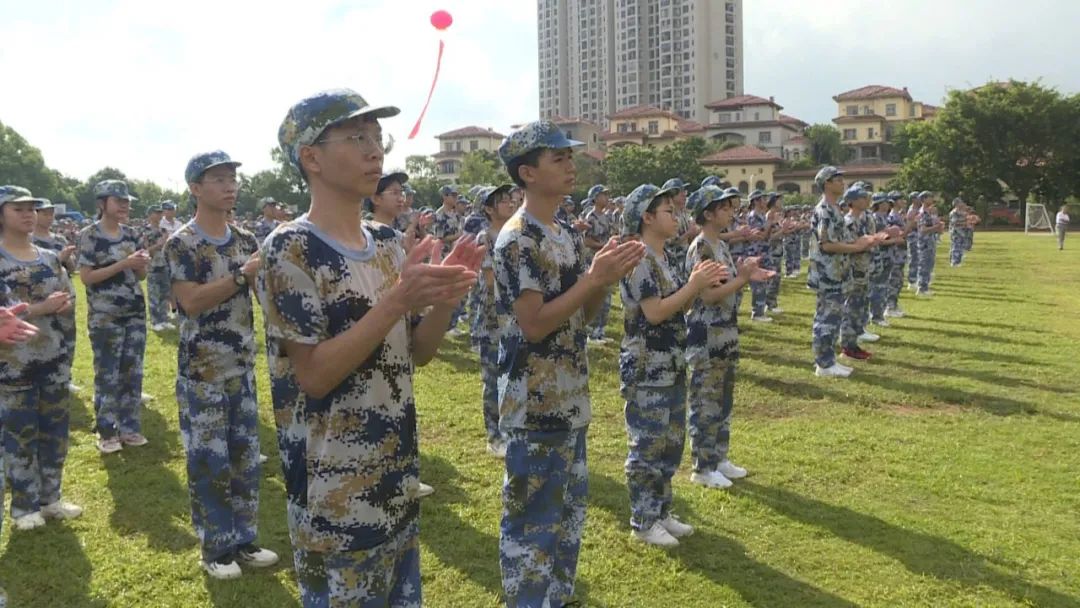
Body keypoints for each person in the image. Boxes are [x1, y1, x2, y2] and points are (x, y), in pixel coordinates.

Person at [260, 88, 482, 607]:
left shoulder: (384, 243)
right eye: (356, 137)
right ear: (311, 157)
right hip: (334, 492)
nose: (374, 150)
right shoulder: (291, 248)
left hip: (394, 475)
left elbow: (415, 353)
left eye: (377, 137)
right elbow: (314, 375)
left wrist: (445, 299)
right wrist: (396, 300)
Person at [494, 120, 645, 607]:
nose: (570, 164)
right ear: (527, 173)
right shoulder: (519, 239)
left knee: (566, 516)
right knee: (532, 522)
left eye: (568, 155)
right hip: (534, 402)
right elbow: (534, 324)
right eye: (557, 158)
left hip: (569, 396)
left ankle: (555, 598)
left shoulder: (563, 233)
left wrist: (603, 279)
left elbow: (584, 313)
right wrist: (593, 279)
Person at [165, 150, 278, 579]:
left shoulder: (245, 240)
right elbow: (190, 302)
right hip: (203, 371)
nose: (230, 186)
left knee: (245, 458)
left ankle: (244, 540)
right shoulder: (182, 243)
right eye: (218, 179)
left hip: (241, 367)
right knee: (209, 461)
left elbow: (262, 295)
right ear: (195, 188)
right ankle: (216, 548)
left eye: (232, 178)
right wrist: (239, 277)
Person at [617, 183, 725, 547]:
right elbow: (655, 312)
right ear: (647, 218)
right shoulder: (639, 258)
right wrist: (694, 285)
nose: (676, 216)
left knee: (671, 444)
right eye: (667, 210)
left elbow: (679, 305)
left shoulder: (662, 257)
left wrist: (697, 286)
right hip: (648, 367)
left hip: (672, 362)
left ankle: (661, 511)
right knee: (648, 446)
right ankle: (643, 520)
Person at [0, 186, 81, 533]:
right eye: (18, 209)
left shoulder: (48, 258)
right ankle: (23, 506)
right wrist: (41, 308)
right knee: (20, 436)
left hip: (53, 359)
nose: (28, 214)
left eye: (31, 208)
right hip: (13, 365)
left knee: (54, 434)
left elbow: (69, 296)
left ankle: (50, 498)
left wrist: (63, 306)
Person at [685, 186, 769, 492]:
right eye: (724, 208)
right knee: (706, 401)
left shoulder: (719, 245)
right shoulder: (702, 248)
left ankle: (718, 457)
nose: (731, 212)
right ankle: (703, 466)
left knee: (723, 399)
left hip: (725, 332)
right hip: (707, 334)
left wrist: (745, 276)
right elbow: (708, 295)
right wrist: (742, 278)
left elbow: (727, 284)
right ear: (708, 214)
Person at [77, 180, 150, 454]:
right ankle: (107, 431)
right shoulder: (89, 235)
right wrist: (124, 263)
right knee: (108, 373)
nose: (124, 205)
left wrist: (140, 265)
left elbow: (141, 276)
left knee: (132, 371)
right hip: (105, 315)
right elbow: (86, 277)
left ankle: (130, 427)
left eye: (127, 201)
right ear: (102, 203)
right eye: (118, 201)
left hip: (134, 312)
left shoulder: (132, 234)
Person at [808, 168, 875, 378]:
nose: (842, 182)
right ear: (826, 183)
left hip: (837, 272)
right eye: (837, 179)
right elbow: (826, 244)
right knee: (827, 319)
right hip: (828, 274)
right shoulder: (824, 210)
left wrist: (860, 242)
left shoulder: (834, 209)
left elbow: (840, 240)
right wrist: (856, 247)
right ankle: (824, 364)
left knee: (834, 318)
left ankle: (828, 360)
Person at [470, 184, 516, 458]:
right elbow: (489, 280)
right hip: (492, 319)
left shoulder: (516, 233)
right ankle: (494, 436)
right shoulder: (485, 238)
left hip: (516, 318)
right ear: (488, 209)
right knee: (493, 380)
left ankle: (511, 430)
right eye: (502, 200)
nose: (510, 203)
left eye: (511, 198)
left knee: (514, 377)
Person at [31, 199, 81, 393]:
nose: (49, 217)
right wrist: (58, 259)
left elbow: (73, 268)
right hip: (40, 297)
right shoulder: (29, 241)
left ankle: (65, 376)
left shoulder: (59, 239)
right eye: (44, 213)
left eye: (51, 213)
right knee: (42, 337)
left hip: (64, 294)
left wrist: (67, 258)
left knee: (67, 337)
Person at [839, 188, 882, 361]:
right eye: (862, 198)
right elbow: (852, 246)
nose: (866, 200)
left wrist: (873, 240)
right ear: (852, 201)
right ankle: (848, 346)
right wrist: (871, 241)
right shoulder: (849, 222)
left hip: (863, 269)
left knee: (859, 307)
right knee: (851, 308)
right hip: (854, 270)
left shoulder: (862, 219)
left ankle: (854, 341)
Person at [582, 184, 615, 343]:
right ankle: (592, 332)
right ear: (595, 198)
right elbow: (587, 241)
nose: (607, 198)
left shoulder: (607, 217)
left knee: (606, 295)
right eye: (603, 195)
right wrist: (603, 246)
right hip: (594, 259)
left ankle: (601, 331)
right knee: (594, 293)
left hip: (606, 259)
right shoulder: (591, 217)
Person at [143, 204, 174, 331]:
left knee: (165, 293)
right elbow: (144, 251)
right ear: (150, 214)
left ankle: (164, 319)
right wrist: (158, 245)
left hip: (164, 265)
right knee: (154, 294)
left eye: (161, 213)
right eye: (157, 213)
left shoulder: (163, 231)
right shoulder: (145, 231)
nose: (160, 215)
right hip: (152, 266)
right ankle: (155, 321)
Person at [744, 190, 773, 322]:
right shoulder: (753, 217)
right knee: (758, 283)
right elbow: (761, 235)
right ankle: (757, 313)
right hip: (756, 252)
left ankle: (760, 310)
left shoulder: (761, 215)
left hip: (763, 252)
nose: (765, 201)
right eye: (763, 199)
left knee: (763, 282)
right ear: (756, 201)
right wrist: (769, 223)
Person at [915, 192, 944, 297]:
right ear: (924, 199)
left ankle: (925, 287)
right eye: (929, 197)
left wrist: (938, 228)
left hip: (930, 241)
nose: (932, 199)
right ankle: (921, 288)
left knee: (929, 265)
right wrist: (936, 227)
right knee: (924, 265)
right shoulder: (922, 213)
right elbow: (922, 229)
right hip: (924, 243)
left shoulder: (929, 213)